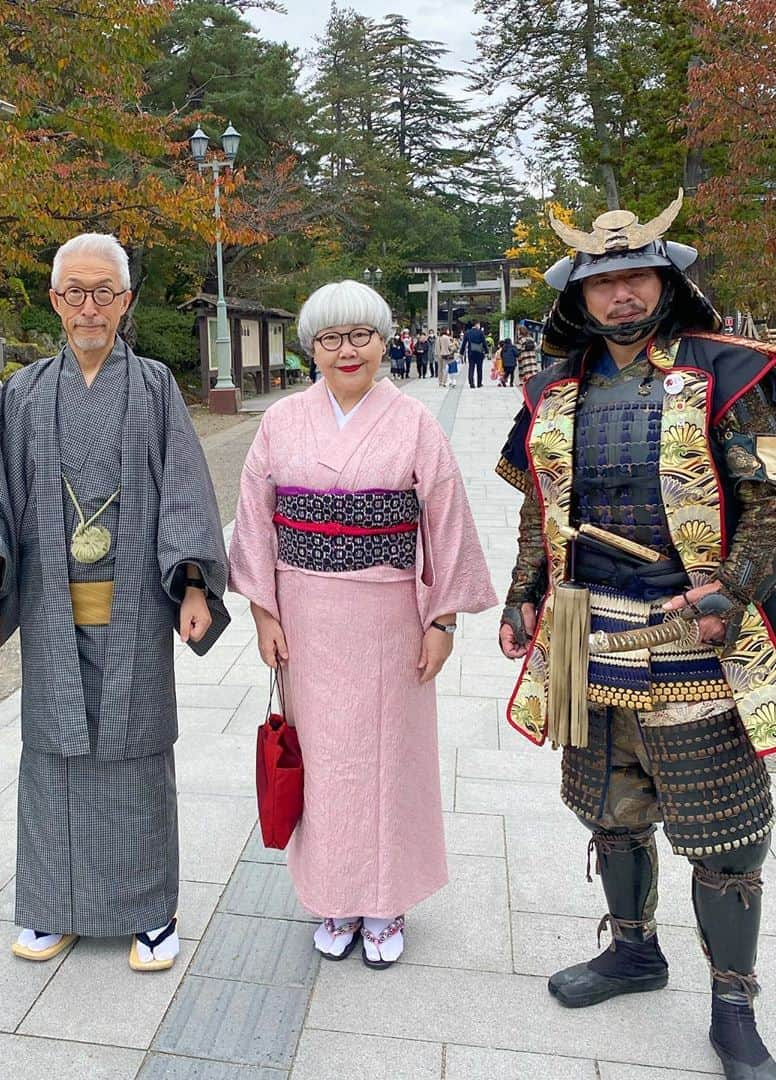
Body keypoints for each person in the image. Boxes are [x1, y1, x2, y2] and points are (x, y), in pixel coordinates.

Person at [496, 191, 776, 1079]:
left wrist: (732, 592)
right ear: (577, 295)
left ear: (668, 280)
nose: (621, 295)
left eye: (636, 277)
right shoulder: (551, 388)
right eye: (603, 280)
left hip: (688, 623)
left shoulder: (728, 374)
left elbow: (769, 502)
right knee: (609, 808)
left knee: (723, 830)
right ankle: (633, 950)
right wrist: (522, 595)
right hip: (583, 623)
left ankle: (733, 1004)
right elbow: (541, 509)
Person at [0, 233, 228, 973]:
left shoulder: (153, 387)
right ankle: (52, 908)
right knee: (51, 754)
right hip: (47, 604)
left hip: (137, 604)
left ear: (126, 301)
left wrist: (196, 584)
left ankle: (149, 913)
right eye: (74, 291)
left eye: (104, 291)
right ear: (54, 301)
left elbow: (185, 491)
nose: (89, 306)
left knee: (136, 752)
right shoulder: (23, 393)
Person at [229, 279, 496, 969]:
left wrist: (442, 622)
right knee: (321, 758)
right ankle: (333, 896)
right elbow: (256, 520)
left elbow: (444, 520)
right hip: (305, 614)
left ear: (384, 341)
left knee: (389, 758)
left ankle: (385, 899)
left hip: (388, 614)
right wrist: (264, 611)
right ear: (310, 347)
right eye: (329, 339)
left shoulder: (413, 424)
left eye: (360, 337)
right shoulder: (281, 421)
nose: (346, 352)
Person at [462, 322, 487, 388]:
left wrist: (461, 353)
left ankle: (471, 383)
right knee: (479, 368)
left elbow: (464, 343)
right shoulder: (481, 332)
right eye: (479, 324)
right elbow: (484, 343)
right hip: (479, 352)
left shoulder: (467, 332)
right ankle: (479, 383)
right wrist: (486, 351)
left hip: (471, 352)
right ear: (476, 325)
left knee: (471, 368)